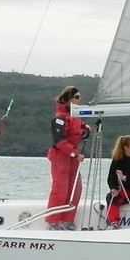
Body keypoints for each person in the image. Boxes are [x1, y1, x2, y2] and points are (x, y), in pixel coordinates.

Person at [45, 86, 91, 230]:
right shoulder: (59, 118)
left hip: (72, 157)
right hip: (61, 155)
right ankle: (53, 221)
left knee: (75, 189)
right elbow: (59, 141)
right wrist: (75, 154)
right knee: (61, 189)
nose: (80, 99)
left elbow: (77, 126)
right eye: (77, 97)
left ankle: (67, 219)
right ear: (70, 99)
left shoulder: (75, 116)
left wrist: (85, 127)